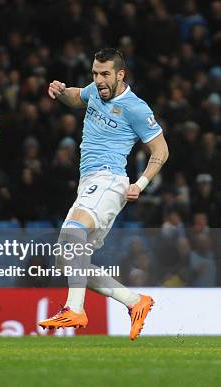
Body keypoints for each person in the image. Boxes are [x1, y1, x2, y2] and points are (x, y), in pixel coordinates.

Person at [38, 48, 169, 340]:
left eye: (105, 74)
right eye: (95, 73)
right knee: (67, 258)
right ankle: (135, 302)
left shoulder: (136, 108)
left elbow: (161, 150)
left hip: (110, 179)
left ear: (120, 75)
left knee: (73, 235)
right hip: (89, 182)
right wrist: (60, 92)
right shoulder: (96, 91)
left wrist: (141, 184)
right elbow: (77, 97)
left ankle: (75, 308)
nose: (99, 80)